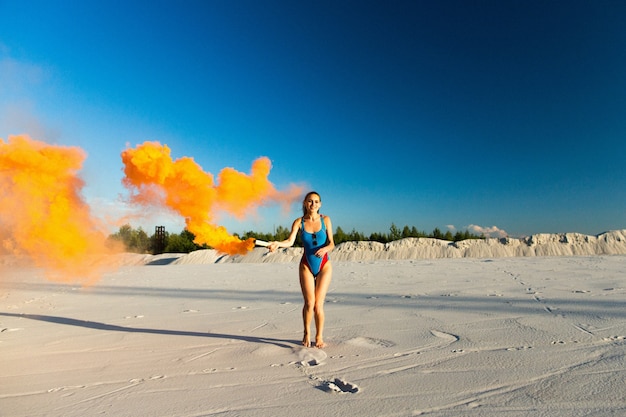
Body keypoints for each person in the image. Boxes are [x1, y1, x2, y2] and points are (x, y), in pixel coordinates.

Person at [268, 191, 335, 348]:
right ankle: (306, 333)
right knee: (309, 302)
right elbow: (290, 241)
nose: (313, 204)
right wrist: (277, 244)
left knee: (318, 304)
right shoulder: (299, 222)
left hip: (324, 264)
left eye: (316, 201)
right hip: (306, 265)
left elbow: (332, 243)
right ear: (305, 203)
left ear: (320, 204)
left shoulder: (326, 220)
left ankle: (319, 336)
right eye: (310, 201)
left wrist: (326, 249)